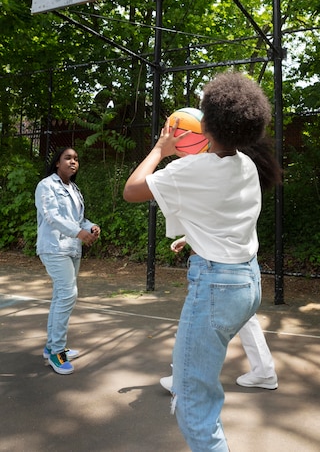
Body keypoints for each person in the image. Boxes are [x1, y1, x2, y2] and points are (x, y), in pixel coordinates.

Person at [124, 71, 281, 452]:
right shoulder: (247, 164)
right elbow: (224, 217)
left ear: (206, 124)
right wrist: (192, 237)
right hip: (247, 282)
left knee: (193, 401)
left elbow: (131, 191)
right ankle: (238, 372)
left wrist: (161, 150)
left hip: (217, 287)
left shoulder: (190, 169)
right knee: (198, 382)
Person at [159, 237, 277, 392]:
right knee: (245, 315)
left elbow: (215, 217)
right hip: (245, 263)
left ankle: (183, 378)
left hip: (221, 264)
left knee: (197, 315)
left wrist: (189, 234)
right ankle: (264, 371)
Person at [35, 147, 100, 375]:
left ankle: (51, 346)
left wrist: (89, 227)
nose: (73, 162)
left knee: (60, 296)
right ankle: (57, 351)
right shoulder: (46, 185)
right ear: (57, 163)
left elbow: (78, 219)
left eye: (76, 159)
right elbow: (52, 216)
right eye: (68, 158)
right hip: (53, 248)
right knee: (68, 294)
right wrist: (78, 231)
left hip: (72, 248)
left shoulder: (74, 189)